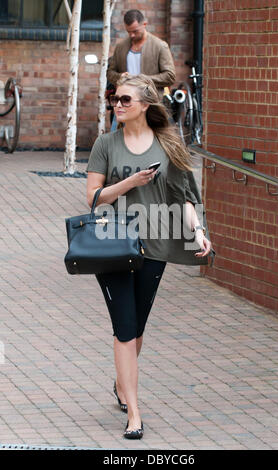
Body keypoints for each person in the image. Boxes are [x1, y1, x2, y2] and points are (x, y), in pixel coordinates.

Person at [86, 74, 212, 440]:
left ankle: (121, 381)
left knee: (137, 327)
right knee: (125, 329)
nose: (117, 105)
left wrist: (199, 232)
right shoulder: (105, 144)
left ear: (145, 104)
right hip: (111, 242)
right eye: (114, 99)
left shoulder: (168, 143)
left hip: (153, 245)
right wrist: (130, 182)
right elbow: (93, 197)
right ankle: (134, 413)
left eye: (125, 99)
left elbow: (184, 196)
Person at [107, 9, 176, 131]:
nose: (132, 35)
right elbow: (110, 73)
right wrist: (120, 77)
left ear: (144, 24)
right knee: (118, 140)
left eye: (135, 31)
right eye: (128, 32)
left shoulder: (160, 46)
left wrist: (142, 80)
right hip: (125, 103)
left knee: (150, 140)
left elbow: (170, 76)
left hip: (149, 104)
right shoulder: (121, 47)